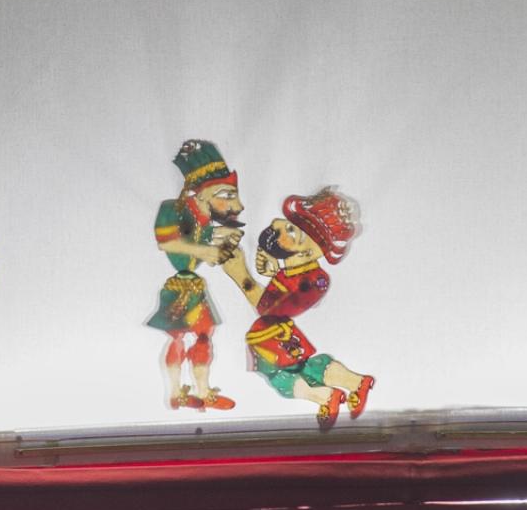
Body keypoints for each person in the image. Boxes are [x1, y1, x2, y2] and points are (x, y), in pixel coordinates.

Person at [223, 187, 374, 429]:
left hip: (274, 336)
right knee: (307, 367)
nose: (277, 223)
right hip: (277, 333)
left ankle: (327, 397)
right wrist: (271, 265)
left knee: (281, 377)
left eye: (292, 230)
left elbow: (267, 308)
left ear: (307, 251)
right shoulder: (298, 272)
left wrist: (241, 274)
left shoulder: (311, 281)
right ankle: (355, 383)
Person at [149, 139, 243, 411]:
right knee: (178, 337)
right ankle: (174, 392)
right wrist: (206, 251)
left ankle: (203, 391)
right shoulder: (172, 209)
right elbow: (167, 242)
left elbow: (201, 236)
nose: (236, 206)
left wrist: (222, 237)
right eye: (226, 195)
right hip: (179, 288)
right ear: (203, 193)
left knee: (204, 337)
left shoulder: (203, 218)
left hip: (194, 287)